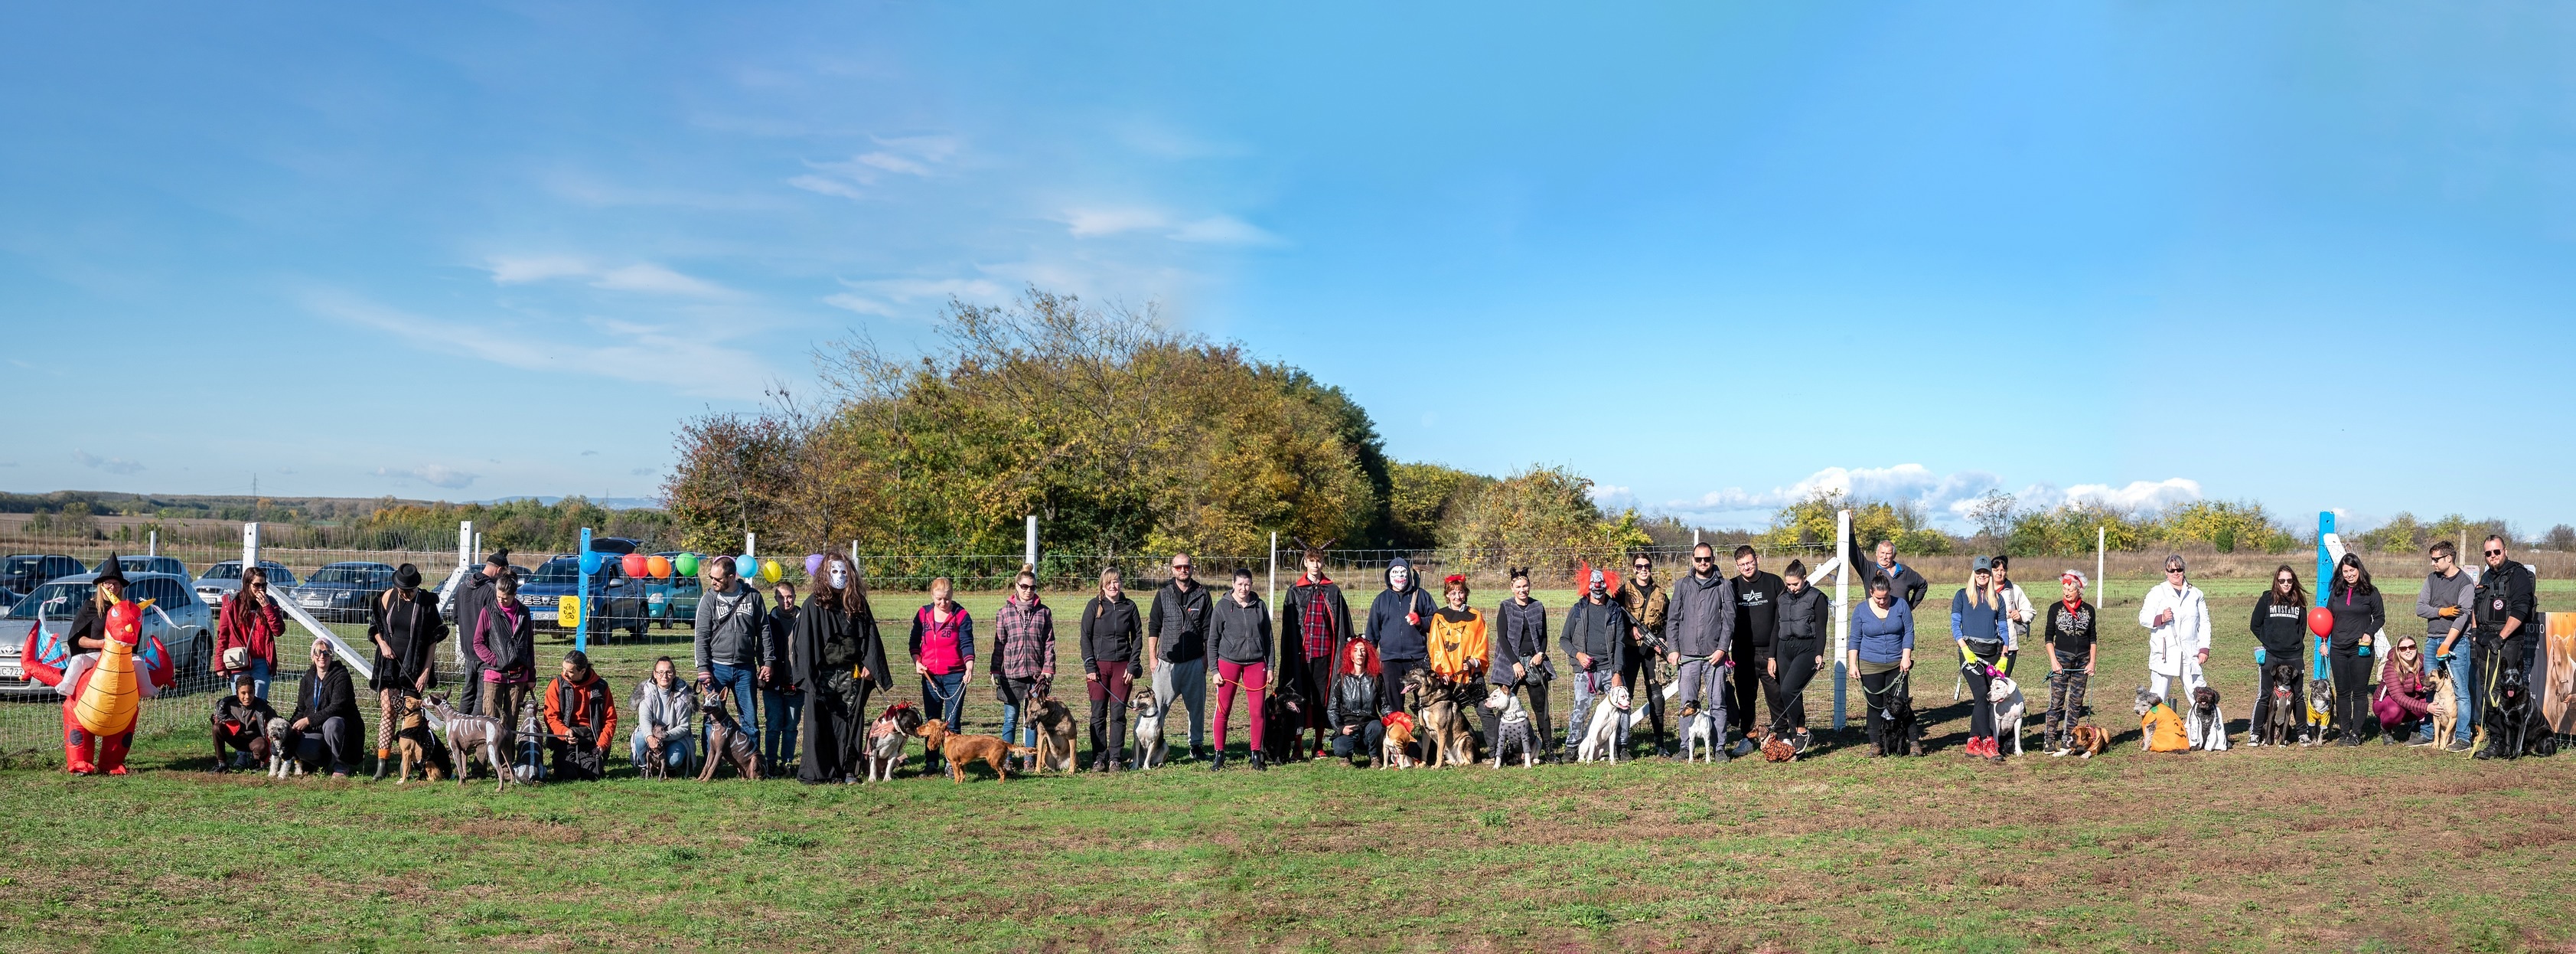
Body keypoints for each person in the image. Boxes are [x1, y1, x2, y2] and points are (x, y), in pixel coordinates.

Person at [801, 553, 891, 784]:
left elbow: (869, 637)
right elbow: (805, 645)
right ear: (824, 574)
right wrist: (809, 677)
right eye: (834, 571)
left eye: (843, 571)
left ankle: (848, 770)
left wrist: (870, 665)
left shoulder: (857, 603)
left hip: (852, 674)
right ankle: (822, 771)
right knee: (822, 721)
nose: (839, 576)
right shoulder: (813, 604)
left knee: (851, 722)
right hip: (823, 675)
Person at [367, 563, 448, 780]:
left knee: (412, 717)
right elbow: (375, 627)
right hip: (389, 665)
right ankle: (382, 764)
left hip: (415, 668)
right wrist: (382, 644)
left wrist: (425, 672)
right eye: (403, 591)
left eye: (411, 591)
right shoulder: (386, 598)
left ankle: (409, 764)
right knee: (388, 710)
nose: (407, 594)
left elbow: (433, 640)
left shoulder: (427, 604)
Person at [1276, 543, 1352, 760]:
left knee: (1321, 700)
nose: (1316, 565)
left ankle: (1318, 745)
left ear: (1323, 562)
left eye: (1319, 561)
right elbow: (1289, 628)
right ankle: (1298, 746)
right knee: (1300, 699)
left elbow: (1342, 624)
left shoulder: (1333, 590)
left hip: (1325, 656)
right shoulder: (1295, 591)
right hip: (1302, 656)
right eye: (1311, 561)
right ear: (1305, 562)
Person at [1665, 543, 1735, 760]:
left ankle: (1719, 747)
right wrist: (1673, 648)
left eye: (1707, 559)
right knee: (1687, 702)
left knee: (1717, 702)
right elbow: (1673, 619)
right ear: (1692, 560)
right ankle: (1686, 746)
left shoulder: (1724, 586)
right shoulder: (1683, 585)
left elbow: (1729, 621)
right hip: (1687, 655)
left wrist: (1722, 648)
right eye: (1698, 559)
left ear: (1713, 559)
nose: (1703, 563)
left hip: (1714, 656)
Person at [693, 555, 766, 762]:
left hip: (746, 669)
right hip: (716, 669)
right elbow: (701, 636)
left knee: (750, 720)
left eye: (717, 578)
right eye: (711, 577)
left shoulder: (753, 597)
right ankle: (709, 763)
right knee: (711, 718)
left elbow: (764, 632)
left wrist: (766, 662)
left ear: (732, 577)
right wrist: (703, 669)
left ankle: (752, 764)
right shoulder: (709, 599)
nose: (712, 582)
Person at [2470, 535, 2537, 760]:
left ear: (2505, 551)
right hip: (2484, 641)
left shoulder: (2518, 576)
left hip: (2507, 642)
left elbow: (2520, 610)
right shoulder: (2487, 576)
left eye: (2496, 552)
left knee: (2504, 692)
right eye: (2488, 554)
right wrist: (2474, 633)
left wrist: (2501, 637)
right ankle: (2496, 739)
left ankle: (2509, 742)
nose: (2492, 557)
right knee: (2487, 691)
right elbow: (2476, 606)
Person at [1147, 553, 1215, 762]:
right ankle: (1155, 746)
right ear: (1172, 569)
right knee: (1157, 709)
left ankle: (1196, 746)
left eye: (1186, 566)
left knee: (1196, 709)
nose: (1183, 570)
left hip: (1194, 662)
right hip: (1166, 663)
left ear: (1192, 568)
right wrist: (1152, 658)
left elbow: (1209, 631)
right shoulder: (1163, 594)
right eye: (1179, 567)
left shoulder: (1203, 594)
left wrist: (1205, 660)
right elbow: (1153, 627)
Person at [1206, 567, 1273, 771]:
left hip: (1256, 663)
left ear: (1252, 585)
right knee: (1223, 710)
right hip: (1228, 662)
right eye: (1240, 584)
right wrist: (1214, 670)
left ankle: (1255, 754)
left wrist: (1270, 666)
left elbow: (1269, 639)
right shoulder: (1222, 607)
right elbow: (1212, 641)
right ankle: (1219, 754)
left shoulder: (1259, 606)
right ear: (1233, 584)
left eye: (1247, 584)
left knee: (1257, 711)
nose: (1244, 588)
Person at [1560, 570, 1632, 756]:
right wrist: (1578, 655)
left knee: (1623, 707)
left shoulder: (1615, 610)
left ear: (1607, 585)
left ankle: (1622, 747)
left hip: (1610, 669)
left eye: (1601, 584)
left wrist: (1618, 672)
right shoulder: (1578, 609)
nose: (1598, 588)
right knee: (1580, 710)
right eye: (1594, 584)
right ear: (1588, 585)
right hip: (1586, 671)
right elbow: (1564, 640)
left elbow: (1619, 643)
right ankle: (1572, 748)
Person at [1078, 567, 1142, 772]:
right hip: (1097, 669)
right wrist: (1090, 665)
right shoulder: (1093, 606)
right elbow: (1084, 638)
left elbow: (1138, 637)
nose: (1113, 586)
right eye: (1109, 583)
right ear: (1102, 586)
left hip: (1122, 668)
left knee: (1118, 713)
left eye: (1116, 582)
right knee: (1098, 714)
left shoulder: (1130, 607)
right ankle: (1099, 758)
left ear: (1121, 583)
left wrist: (1132, 665)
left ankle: (1115, 757)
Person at [1846, 577, 1918, 757]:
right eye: (1878, 598)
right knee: (1875, 705)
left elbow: (1909, 631)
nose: (1882, 601)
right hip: (1870, 664)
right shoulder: (1861, 610)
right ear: (1871, 593)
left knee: (1903, 705)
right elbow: (1855, 638)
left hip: (1897, 664)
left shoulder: (1901, 606)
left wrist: (1906, 657)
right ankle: (1876, 744)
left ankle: (1915, 743)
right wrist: (1853, 664)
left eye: (1885, 597)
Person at [1952, 557, 2014, 761]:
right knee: (1980, 695)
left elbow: (2003, 628)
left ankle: (1972, 741)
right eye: (1979, 572)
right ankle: (1988, 742)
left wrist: (2004, 655)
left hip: (1992, 653)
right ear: (1973, 573)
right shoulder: (1962, 596)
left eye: (1985, 572)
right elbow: (1955, 626)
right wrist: (1965, 650)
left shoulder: (1998, 599)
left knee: (1987, 698)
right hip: (1970, 652)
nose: (1982, 576)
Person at [993, 567, 1056, 764]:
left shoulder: (1044, 612)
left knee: (1033, 719)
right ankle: (1006, 759)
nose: (1029, 590)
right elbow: (999, 643)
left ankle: (1030, 759)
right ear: (1017, 587)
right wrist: (995, 669)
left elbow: (1049, 643)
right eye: (1025, 586)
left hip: (1036, 676)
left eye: (1033, 587)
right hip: (1011, 673)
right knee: (1011, 719)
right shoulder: (1004, 613)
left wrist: (1048, 668)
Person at [1490, 567, 1555, 760]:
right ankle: (1496, 752)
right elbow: (1502, 637)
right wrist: (1514, 663)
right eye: (1518, 586)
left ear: (1529, 586)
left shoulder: (1538, 607)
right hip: (1511, 664)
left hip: (1534, 663)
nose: (1522, 590)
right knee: (1502, 707)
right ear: (1512, 588)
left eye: (1525, 585)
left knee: (1541, 709)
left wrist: (1540, 653)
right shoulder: (1506, 607)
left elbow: (1543, 635)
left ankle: (1550, 750)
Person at [1726, 545, 1786, 752]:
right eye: (1742, 565)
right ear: (1737, 566)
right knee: (1745, 696)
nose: (1747, 567)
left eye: (1750, 562)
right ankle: (1747, 737)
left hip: (1771, 651)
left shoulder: (1774, 582)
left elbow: (1782, 617)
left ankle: (1782, 735)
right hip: (1743, 652)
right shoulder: (1731, 586)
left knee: (1776, 695)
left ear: (1757, 559)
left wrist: (1775, 653)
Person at [1365, 557, 1436, 732]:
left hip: (1417, 657)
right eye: (1395, 573)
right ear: (1389, 576)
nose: (1399, 576)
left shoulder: (1422, 596)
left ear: (1409, 575)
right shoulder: (1381, 600)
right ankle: (1402, 741)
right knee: (1395, 702)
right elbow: (1373, 631)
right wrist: (1369, 658)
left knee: (1425, 700)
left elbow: (1436, 621)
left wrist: (1421, 621)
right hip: (1391, 659)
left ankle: (1429, 740)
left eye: (1403, 572)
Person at [2417, 541, 2477, 750]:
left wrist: (2447, 643)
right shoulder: (2432, 579)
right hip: (2432, 639)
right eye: (2432, 559)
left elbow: (2462, 617)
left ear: (2449, 558)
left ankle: (2462, 737)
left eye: (2436, 559)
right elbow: (2420, 608)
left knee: (2460, 690)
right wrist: (2441, 612)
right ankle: (2428, 733)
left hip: (2456, 643)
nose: (2432, 563)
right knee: (2430, 686)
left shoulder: (2465, 583)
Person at [1765, 560, 1828, 752]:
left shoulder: (1817, 598)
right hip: (1784, 648)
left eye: (1795, 584)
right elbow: (1777, 627)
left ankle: (1802, 731)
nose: (1791, 588)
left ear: (1804, 579)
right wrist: (1771, 656)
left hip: (1806, 648)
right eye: (1788, 584)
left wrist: (1819, 654)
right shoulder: (1782, 597)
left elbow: (1821, 629)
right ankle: (1795, 734)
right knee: (1790, 693)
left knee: (1788, 689)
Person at [910, 577, 975, 761]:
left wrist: (969, 665)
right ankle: (931, 762)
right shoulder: (923, 614)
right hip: (931, 677)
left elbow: (966, 643)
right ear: (932, 596)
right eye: (939, 599)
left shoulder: (961, 616)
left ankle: (952, 762)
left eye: (947, 598)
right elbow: (914, 642)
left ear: (952, 595)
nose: (943, 603)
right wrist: (917, 661)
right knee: (932, 721)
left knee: (951, 722)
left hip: (956, 676)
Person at [2323, 554, 2385, 746]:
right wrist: (2324, 641)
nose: (2349, 574)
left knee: (2359, 692)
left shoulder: (2371, 592)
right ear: (2341, 573)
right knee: (2342, 692)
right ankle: (2343, 732)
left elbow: (2380, 617)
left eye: (2352, 570)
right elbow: (2327, 618)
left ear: (2359, 569)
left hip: (2361, 649)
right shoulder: (2336, 593)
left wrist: (2369, 632)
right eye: (2345, 571)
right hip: (2338, 649)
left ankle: (2356, 734)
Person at [1425, 573, 1490, 751]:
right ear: (1447, 595)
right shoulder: (1439, 617)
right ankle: (1436, 751)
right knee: (1438, 709)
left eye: (1460, 592)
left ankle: (1494, 750)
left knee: (1484, 709)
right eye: (1453, 593)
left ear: (1465, 593)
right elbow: (1436, 647)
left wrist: (1473, 663)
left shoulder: (1476, 616)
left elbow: (1481, 643)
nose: (1457, 597)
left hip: (1470, 672)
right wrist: (1442, 672)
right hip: (1447, 674)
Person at [1615, 553, 1671, 757]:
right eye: (1639, 567)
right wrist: (1628, 629)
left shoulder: (1661, 594)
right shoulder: (1623, 591)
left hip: (1651, 651)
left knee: (1656, 696)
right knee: (1625, 695)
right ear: (1634, 569)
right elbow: (1613, 614)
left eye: (1647, 566)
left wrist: (1662, 638)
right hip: (1629, 649)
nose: (1643, 570)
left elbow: (1668, 621)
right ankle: (1622, 745)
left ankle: (1660, 743)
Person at [2247, 566, 2310, 746]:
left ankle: (2303, 733)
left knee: (2298, 695)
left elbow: (2302, 628)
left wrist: (2294, 643)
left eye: (2289, 581)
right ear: (2276, 581)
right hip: (2271, 655)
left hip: (2294, 655)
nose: (2286, 584)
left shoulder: (2299, 602)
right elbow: (2255, 625)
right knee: (2265, 694)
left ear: (2294, 581)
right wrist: (2269, 642)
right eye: (2282, 581)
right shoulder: (2267, 599)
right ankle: (2256, 733)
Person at [2137, 554, 2212, 703]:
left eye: (2179, 569)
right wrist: (2161, 618)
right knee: (2157, 697)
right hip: (2165, 652)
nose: (2176, 573)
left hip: (2190, 652)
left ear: (2184, 570)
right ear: (2166, 572)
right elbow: (2143, 618)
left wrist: (2204, 648)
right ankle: (2153, 726)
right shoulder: (2157, 592)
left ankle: (2203, 726)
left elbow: (2204, 623)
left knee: (2201, 696)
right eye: (2172, 570)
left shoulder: (2196, 594)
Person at [471, 570, 537, 733]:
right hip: (494, 675)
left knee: (511, 722)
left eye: (505, 598)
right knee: (490, 723)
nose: (501, 600)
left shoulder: (524, 613)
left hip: (519, 675)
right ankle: (484, 758)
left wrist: (531, 675)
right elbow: (478, 642)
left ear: (514, 595)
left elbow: (529, 645)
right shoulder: (488, 611)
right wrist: (495, 660)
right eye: (498, 596)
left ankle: (508, 759)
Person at [2040, 571, 2098, 753]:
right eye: (2064, 588)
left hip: (2082, 661)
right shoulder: (2055, 609)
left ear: (2079, 590)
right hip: (2061, 659)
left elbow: (2093, 639)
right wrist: (2054, 661)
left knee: (2075, 703)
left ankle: (2068, 739)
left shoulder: (2088, 611)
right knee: (2056, 702)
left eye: (2070, 589)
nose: (2066, 592)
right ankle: (2049, 740)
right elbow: (2048, 637)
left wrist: (2092, 663)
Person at [289, 638, 363, 777]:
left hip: (342, 728)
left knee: (332, 723)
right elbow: (301, 710)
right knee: (302, 748)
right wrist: (290, 726)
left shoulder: (342, 676)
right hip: (316, 729)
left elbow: (337, 707)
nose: (322, 656)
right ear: (312, 656)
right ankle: (320, 763)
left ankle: (340, 764)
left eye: (326, 652)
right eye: (318, 652)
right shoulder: (306, 680)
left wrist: (309, 720)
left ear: (331, 655)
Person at [542, 649, 616, 781]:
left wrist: (602, 745)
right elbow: (551, 717)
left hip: (590, 738)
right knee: (567, 775)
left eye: (570, 671)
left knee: (593, 774)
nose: (564, 673)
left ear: (582, 671)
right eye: (563, 668)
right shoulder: (556, 685)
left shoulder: (601, 687)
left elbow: (610, 719)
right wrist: (564, 733)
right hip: (565, 738)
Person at [454, 548, 510, 716]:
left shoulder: (463, 586)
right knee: (481, 694)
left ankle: (460, 727)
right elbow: (497, 623)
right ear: (499, 570)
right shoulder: (492, 591)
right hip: (485, 650)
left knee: (467, 691)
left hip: (467, 649)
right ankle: (473, 732)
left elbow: (456, 617)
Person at [213, 565, 283, 699]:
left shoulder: (270, 603)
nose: (261, 589)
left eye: (264, 585)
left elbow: (278, 630)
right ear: (247, 584)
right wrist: (220, 665)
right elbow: (223, 635)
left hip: (262, 662)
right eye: (257, 585)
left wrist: (267, 607)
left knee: (260, 703)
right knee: (242, 703)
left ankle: (259, 721)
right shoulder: (232, 603)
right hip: (238, 661)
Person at [760, 579, 803, 777]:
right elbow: (760, 649)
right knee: (773, 725)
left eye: (789, 597)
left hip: (796, 683)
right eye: (781, 597)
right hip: (773, 684)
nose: (786, 601)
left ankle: (787, 762)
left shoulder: (805, 620)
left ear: (795, 597)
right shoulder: (768, 622)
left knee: (791, 726)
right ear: (775, 598)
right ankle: (770, 762)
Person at [631, 656, 696, 776]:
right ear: (655, 674)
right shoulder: (647, 691)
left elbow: (684, 726)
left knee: (675, 759)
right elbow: (644, 719)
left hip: (673, 737)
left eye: (668, 672)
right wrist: (650, 738)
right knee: (640, 738)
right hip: (652, 735)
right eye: (660, 672)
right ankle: (645, 766)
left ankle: (669, 767)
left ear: (674, 674)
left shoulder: (685, 695)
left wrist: (664, 737)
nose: (664, 676)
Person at [1325, 637, 1387, 766]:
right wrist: (1340, 728)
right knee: (1340, 748)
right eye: (1356, 650)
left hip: (1370, 723)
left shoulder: (1376, 678)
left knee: (1377, 727)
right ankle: (1347, 756)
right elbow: (1332, 709)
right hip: (1349, 726)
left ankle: (1375, 756)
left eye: (1363, 650)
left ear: (1367, 654)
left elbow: (1384, 705)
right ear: (1350, 655)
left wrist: (1396, 719)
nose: (1360, 653)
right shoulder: (1341, 678)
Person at [209, 674, 279, 772]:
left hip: (255, 740)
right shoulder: (226, 706)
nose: (247, 696)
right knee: (216, 728)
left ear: (254, 692)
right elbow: (216, 720)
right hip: (236, 738)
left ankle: (256, 762)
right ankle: (222, 763)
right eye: (243, 693)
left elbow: (277, 722)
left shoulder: (262, 707)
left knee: (261, 746)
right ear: (237, 693)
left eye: (251, 692)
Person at [2374, 637, 2434, 743]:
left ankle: (2419, 726)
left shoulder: (2424, 661)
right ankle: (2386, 729)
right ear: (2398, 651)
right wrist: (2427, 707)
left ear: (2416, 647)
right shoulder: (2391, 666)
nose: (2408, 651)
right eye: (2403, 648)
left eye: (2411, 647)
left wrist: (2429, 688)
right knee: (2395, 710)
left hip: (2413, 701)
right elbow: (2398, 697)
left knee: (2436, 701)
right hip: (2388, 703)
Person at [1989, 555, 2035, 676]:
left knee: (2003, 682)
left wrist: (2020, 616)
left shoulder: (2014, 590)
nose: (1999, 573)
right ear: (1990, 571)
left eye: (2003, 570)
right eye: (1996, 570)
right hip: (1987, 644)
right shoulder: (1983, 589)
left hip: (2009, 644)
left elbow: (2031, 612)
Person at [1870, 539, 1929, 609]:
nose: (1884, 557)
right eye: (1882, 553)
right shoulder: (1869, 569)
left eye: (1888, 554)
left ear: (1894, 555)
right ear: (1877, 553)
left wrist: (1911, 606)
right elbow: (1855, 555)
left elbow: (1922, 585)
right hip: (1877, 618)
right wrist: (1852, 533)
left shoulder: (1905, 571)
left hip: (1901, 618)